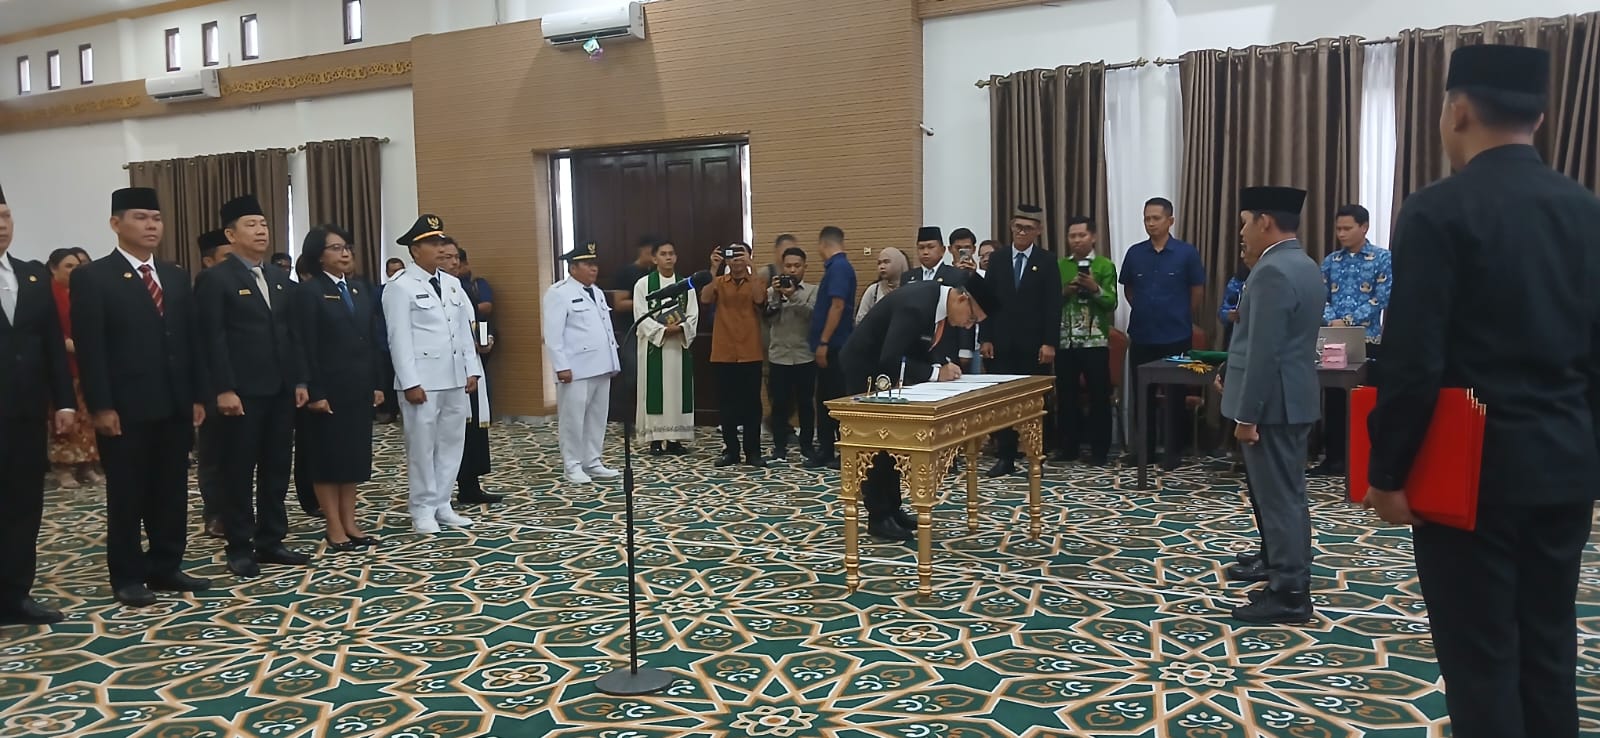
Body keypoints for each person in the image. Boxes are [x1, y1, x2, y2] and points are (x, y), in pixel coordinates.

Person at [1365, 45, 1600, 738]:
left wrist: (1387, 472)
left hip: (1469, 476)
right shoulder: (1587, 210)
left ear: (1458, 110)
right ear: (1541, 117)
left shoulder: (1438, 210)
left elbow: (1413, 360)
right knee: (1549, 652)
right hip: (1565, 467)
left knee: (1482, 662)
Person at [71, 187, 210, 607]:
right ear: (116, 224)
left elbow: (191, 341)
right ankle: (128, 575)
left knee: (171, 491)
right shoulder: (93, 277)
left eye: (156, 218)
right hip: (125, 407)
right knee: (128, 495)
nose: (151, 225)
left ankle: (166, 565)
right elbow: (91, 348)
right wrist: (101, 405)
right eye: (140, 217)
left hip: (174, 403)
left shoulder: (174, 274)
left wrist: (197, 395)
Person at [1219, 186, 1323, 624]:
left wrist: (1247, 415)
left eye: (1245, 223)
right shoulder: (1304, 264)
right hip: (1291, 398)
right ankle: (1280, 566)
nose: (1242, 233)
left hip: (1272, 405)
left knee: (1280, 499)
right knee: (1284, 495)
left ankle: (1290, 592)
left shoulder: (1272, 271)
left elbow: (1265, 351)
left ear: (1265, 221)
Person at [195, 195, 310, 578]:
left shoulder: (278, 278)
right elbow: (211, 339)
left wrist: (299, 379)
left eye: (263, 224)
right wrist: (223, 389)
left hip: (280, 390)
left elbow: (292, 335)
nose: (261, 231)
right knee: (238, 471)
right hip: (241, 393)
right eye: (251, 225)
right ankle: (240, 546)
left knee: (277, 467)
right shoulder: (216, 279)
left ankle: (271, 539)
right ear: (231, 235)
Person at [841, 277, 994, 540]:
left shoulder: (935, 301)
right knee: (876, 446)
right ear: (961, 299)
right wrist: (935, 373)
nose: (968, 325)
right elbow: (890, 357)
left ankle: (893, 508)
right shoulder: (917, 305)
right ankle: (878, 516)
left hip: (884, 376)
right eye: (971, 318)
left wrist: (940, 365)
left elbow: (917, 346)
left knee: (891, 444)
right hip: (865, 372)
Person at [0, 182, 77, 625]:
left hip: (27, 412)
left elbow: (51, 343)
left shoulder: (30, 274)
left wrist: (64, 401)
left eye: (5, 216)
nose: (2, 225)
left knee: (24, 504)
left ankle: (16, 594)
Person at [384, 214, 484, 532]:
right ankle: (422, 508)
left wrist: (472, 369)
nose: (440, 249)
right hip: (423, 380)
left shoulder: (452, 283)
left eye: (441, 241)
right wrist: (410, 382)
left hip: (454, 377)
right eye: (431, 243)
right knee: (422, 447)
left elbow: (463, 330)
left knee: (452, 443)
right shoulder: (400, 286)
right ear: (415, 250)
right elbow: (398, 338)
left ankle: (443, 502)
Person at [291, 225, 385, 552]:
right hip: (327, 390)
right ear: (318, 256)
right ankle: (333, 526)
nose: (345, 253)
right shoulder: (309, 292)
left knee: (352, 458)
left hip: (357, 387)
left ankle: (350, 522)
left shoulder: (359, 288)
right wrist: (314, 391)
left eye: (347, 247)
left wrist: (376, 383)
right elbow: (303, 344)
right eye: (335, 248)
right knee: (328, 460)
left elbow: (371, 340)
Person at [978, 205, 1063, 477]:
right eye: (1018, 227)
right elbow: (986, 302)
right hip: (1001, 343)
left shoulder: (1047, 261)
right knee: (1003, 401)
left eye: (1028, 228)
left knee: (1036, 403)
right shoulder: (999, 259)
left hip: (1035, 346)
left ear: (1038, 231)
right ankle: (1005, 457)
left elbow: (1053, 305)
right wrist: (985, 337)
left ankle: (1036, 456)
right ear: (1011, 227)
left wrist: (1049, 343)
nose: (1022, 232)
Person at [1122, 197, 1205, 469]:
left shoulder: (1186, 253)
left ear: (1170, 220)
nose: (1150, 223)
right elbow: (1129, 290)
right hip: (1142, 334)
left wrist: (1179, 314)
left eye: (1156, 218)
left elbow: (1196, 291)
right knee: (1142, 396)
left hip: (1176, 336)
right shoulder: (1135, 253)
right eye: (1146, 218)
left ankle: (1173, 452)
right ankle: (1144, 452)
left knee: (1175, 396)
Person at [1312, 204, 1392, 477]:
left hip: (1368, 339)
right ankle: (1333, 459)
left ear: (1364, 227)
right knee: (1334, 398)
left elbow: (1382, 297)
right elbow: (1320, 295)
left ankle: (1363, 460)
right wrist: (1332, 320)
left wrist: (1347, 320)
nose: (1342, 234)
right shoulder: (1331, 261)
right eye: (1338, 229)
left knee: (1364, 399)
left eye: (1347, 228)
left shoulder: (1382, 258)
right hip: (1334, 339)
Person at [543, 242, 622, 483]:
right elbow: (553, 335)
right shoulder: (559, 293)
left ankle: (592, 460)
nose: (594, 269)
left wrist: (613, 361)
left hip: (601, 365)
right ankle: (572, 465)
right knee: (573, 419)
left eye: (595, 264)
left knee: (597, 417)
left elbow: (605, 330)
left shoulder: (596, 292)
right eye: (588, 264)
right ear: (572, 268)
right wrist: (561, 366)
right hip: (575, 368)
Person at [442, 241, 502, 505]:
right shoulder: (433, 290)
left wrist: (485, 339)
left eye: (456, 257)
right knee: (453, 431)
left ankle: (470, 485)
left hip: (472, 366)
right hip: (447, 369)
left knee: (475, 427)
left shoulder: (463, 288)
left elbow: (478, 320)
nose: (454, 262)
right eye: (447, 257)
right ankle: (444, 490)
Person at [1054, 216, 1118, 466]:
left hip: (1095, 342)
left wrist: (1094, 288)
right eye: (1072, 236)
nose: (1077, 240)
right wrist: (1065, 291)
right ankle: (1068, 448)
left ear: (1093, 237)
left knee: (1099, 397)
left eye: (1082, 235)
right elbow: (1050, 302)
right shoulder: (1061, 265)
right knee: (1066, 397)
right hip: (1065, 341)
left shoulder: (1104, 265)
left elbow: (1111, 303)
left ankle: (1100, 450)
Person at [700, 241, 768, 467]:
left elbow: (759, 299)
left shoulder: (756, 280)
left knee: (752, 405)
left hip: (750, 352)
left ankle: (753, 451)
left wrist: (751, 267)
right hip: (724, 352)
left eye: (741, 254)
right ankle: (731, 451)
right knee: (726, 404)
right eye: (732, 255)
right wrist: (713, 268)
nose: (736, 259)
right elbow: (705, 298)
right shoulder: (719, 281)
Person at [633, 240, 698, 455]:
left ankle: (674, 440)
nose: (668, 257)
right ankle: (655, 439)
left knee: (677, 392)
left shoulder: (686, 285)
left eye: (671, 253)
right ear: (654, 258)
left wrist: (680, 328)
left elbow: (693, 314)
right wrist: (661, 331)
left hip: (678, 347)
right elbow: (640, 316)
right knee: (655, 393)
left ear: (676, 257)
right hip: (654, 348)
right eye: (663, 254)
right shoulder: (643, 285)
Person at [43, 248, 100, 490]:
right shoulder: (47, 294)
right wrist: (70, 344)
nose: (74, 271)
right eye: (68, 266)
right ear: (53, 268)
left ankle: (87, 465)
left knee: (86, 419)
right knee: (64, 419)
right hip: (62, 365)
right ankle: (63, 469)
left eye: (77, 266)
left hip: (85, 365)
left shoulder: (81, 292)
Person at [193, 229, 233, 538]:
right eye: (227, 257)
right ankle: (215, 513)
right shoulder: (205, 286)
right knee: (214, 454)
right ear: (208, 261)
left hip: (244, 382)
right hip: (211, 385)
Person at [807, 226, 856, 469]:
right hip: (831, 345)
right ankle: (826, 449)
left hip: (835, 346)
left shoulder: (839, 268)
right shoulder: (836, 268)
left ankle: (842, 450)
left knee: (836, 400)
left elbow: (837, 306)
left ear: (823, 244)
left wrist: (824, 341)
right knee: (824, 400)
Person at [764, 245, 816, 461]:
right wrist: (777, 296)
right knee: (779, 405)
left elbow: (811, 316)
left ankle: (807, 446)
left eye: (797, 266)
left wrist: (793, 295)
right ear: (782, 267)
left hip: (805, 356)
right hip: (779, 356)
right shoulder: (771, 291)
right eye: (788, 266)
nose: (792, 270)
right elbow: (769, 319)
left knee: (806, 404)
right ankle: (779, 447)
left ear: (805, 267)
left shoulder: (813, 291)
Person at [854, 247, 906, 322]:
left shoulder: (909, 289)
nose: (882, 267)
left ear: (898, 263)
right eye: (879, 263)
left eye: (886, 262)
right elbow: (860, 319)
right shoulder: (873, 290)